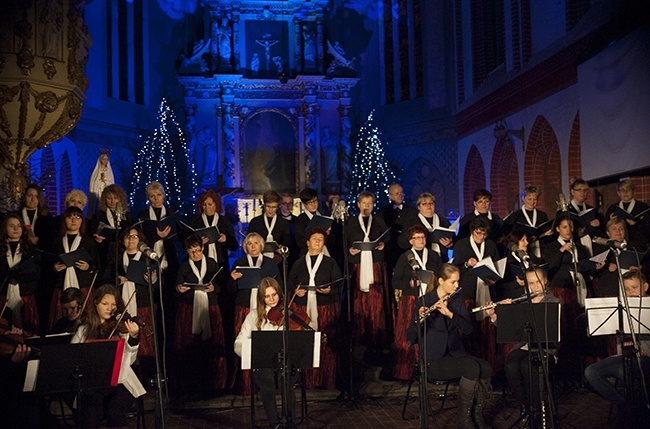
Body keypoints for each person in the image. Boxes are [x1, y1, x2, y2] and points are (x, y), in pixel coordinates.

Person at [406, 264, 492, 429]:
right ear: (440, 281)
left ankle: (476, 415)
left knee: (485, 367)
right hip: (432, 360)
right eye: (453, 282)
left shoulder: (456, 300)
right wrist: (419, 320)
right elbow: (410, 337)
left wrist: (450, 314)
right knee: (472, 368)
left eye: (458, 282)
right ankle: (464, 419)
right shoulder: (425, 301)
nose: (456, 286)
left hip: (454, 355)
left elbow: (468, 329)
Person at [486, 267, 561, 424]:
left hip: (545, 348)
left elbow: (553, 333)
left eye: (538, 282)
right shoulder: (522, 300)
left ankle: (538, 411)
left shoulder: (553, 301)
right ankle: (526, 408)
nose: (535, 287)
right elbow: (510, 330)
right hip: (524, 346)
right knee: (511, 364)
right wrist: (497, 314)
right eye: (531, 283)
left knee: (528, 365)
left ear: (545, 281)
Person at [71, 284, 146, 428]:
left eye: (113, 305)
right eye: (104, 304)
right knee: (90, 412)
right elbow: (73, 357)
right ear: (96, 304)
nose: (109, 308)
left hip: (120, 383)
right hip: (92, 385)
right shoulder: (83, 330)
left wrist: (134, 338)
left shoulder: (122, 328)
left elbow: (129, 360)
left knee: (115, 411)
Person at [584, 270, 650, 419]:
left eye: (634, 287)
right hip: (624, 355)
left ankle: (638, 414)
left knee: (624, 371)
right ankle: (627, 407)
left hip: (646, 356)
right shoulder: (620, 307)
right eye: (626, 288)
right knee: (591, 372)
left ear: (645, 286)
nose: (630, 291)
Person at [234, 277, 296, 428]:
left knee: (285, 380)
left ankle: (290, 422)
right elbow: (238, 343)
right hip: (263, 364)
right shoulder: (253, 316)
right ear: (262, 298)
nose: (272, 299)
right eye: (267, 296)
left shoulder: (289, 313)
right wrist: (252, 353)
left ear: (279, 294)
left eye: (274, 294)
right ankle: (274, 423)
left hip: (284, 362)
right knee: (266, 379)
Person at [172, 235, 227, 396]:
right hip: (189, 309)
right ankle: (190, 384)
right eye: (191, 252)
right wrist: (178, 289)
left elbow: (221, 284)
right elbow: (177, 286)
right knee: (189, 343)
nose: (195, 255)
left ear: (202, 248)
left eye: (197, 251)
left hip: (210, 306)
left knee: (212, 342)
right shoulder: (184, 266)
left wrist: (213, 288)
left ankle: (215, 383)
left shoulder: (211, 263)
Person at [288, 227, 342, 389]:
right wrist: (296, 291)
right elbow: (290, 283)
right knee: (305, 343)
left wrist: (330, 290)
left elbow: (339, 284)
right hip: (303, 309)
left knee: (325, 342)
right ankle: (305, 380)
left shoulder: (330, 262)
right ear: (307, 242)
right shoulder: (299, 263)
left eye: (321, 239)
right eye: (314, 239)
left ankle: (325, 379)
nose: (318, 241)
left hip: (325, 307)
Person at [102, 227, 157, 381]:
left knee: (146, 343)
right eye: (127, 237)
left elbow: (159, 283)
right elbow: (105, 279)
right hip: (122, 305)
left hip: (143, 305)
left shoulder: (147, 258)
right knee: (124, 342)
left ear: (140, 240)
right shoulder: (117, 259)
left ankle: (147, 379)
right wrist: (118, 280)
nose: (131, 240)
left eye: (134, 237)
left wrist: (151, 279)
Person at [229, 232, 280, 394]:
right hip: (244, 306)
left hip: (266, 307)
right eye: (249, 244)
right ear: (245, 247)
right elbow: (230, 290)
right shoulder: (239, 262)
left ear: (261, 246)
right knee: (245, 341)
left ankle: (270, 383)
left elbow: (278, 287)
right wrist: (232, 279)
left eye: (256, 243)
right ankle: (246, 384)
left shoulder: (269, 262)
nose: (253, 246)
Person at [391, 225, 442, 380]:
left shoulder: (433, 255)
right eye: (417, 237)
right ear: (410, 240)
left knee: (431, 333)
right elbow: (395, 282)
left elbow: (441, 275)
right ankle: (406, 371)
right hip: (411, 300)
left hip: (430, 298)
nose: (421, 240)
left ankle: (431, 371)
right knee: (410, 332)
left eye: (423, 237)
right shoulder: (405, 257)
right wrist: (410, 283)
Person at [345, 191, 392, 350]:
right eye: (364, 203)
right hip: (357, 266)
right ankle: (359, 336)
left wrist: (384, 245)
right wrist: (349, 250)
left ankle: (378, 335)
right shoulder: (351, 222)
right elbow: (344, 244)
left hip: (375, 265)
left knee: (376, 299)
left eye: (370, 203)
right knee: (359, 300)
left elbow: (387, 239)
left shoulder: (378, 221)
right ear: (358, 204)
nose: (367, 206)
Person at [50, 206, 98, 330]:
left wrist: (88, 267)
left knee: (85, 323)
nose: (74, 220)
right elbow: (49, 267)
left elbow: (97, 266)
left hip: (83, 288)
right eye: (70, 217)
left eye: (77, 217)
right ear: (64, 220)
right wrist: (55, 268)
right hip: (62, 288)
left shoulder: (88, 242)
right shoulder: (57, 242)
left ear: (82, 221)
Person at [0, 214, 41, 334]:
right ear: (4, 228)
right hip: (3, 297)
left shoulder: (30, 249)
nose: (16, 229)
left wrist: (19, 275)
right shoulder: (1, 249)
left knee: (27, 332)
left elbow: (36, 275)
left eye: (18, 226)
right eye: (11, 226)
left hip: (24, 296)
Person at [90, 184, 132, 280]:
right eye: (109, 198)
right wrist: (96, 237)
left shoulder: (127, 216)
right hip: (104, 252)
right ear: (104, 200)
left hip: (122, 252)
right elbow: (93, 232)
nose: (113, 201)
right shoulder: (98, 215)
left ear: (120, 199)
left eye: (115, 198)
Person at [398, 192, 453, 262]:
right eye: (424, 204)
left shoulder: (444, 221)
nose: (429, 206)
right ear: (418, 207)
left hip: (441, 259)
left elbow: (454, 241)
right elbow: (402, 243)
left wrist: (449, 244)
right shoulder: (412, 222)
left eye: (431, 203)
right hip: (420, 259)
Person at [503, 185, 553, 258]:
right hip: (523, 251)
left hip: (541, 251)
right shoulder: (515, 216)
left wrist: (546, 234)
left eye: (534, 199)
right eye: (529, 199)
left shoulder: (542, 215)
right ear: (523, 199)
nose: (532, 202)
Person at [381, 183, 418, 276]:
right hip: (390, 249)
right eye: (397, 193)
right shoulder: (384, 211)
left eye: (402, 193)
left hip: (407, 248)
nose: (400, 195)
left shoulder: (412, 211)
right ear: (390, 195)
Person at [247, 190, 291, 261]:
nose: (270, 210)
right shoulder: (255, 222)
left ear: (278, 207)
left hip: (277, 260)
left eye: (274, 207)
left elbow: (288, 244)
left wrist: (281, 248)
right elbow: (248, 242)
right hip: (257, 259)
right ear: (264, 205)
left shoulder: (283, 223)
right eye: (268, 206)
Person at [605, 179, 650, 246]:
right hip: (618, 244)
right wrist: (611, 221)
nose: (625, 192)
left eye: (628, 189)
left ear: (633, 191)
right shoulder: (613, 208)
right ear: (618, 193)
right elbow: (606, 227)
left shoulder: (643, 207)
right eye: (622, 190)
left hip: (638, 243)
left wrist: (636, 225)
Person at [501, 230, 543, 300]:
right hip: (518, 298)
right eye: (523, 240)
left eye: (526, 239)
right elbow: (503, 286)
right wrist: (517, 283)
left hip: (536, 295)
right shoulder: (507, 262)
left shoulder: (531, 257)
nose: (527, 242)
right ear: (515, 243)